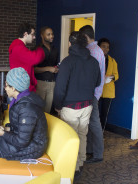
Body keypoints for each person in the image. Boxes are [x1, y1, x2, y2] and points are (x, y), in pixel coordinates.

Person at [53, 31, 101, 178]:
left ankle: (72, 168)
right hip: (88, 104)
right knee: (82, 135)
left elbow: (60, 88)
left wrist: (57, 105)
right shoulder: (93, 61)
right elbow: (98, 82)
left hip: (70, 107)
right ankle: (80, 164)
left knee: (71, 138)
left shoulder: (67, 62)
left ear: (70, 44)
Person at [79, 25, 105, 163]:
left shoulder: (91, 51)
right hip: (95, 92)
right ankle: (90, 150)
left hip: (91, 93)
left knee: (94, 123)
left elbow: (91, 75)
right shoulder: (98, 49)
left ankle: (98, 154)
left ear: (84, 37)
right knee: (90, 122)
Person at [9, 22, 45, 92]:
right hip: (20, 88)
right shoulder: (18, 48)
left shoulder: (19, 46)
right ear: (25, 34)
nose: (34, 37)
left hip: (21, 87)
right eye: (32, 34)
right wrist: (40, 48)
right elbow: (36, 59)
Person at [35, 26, 59, 113]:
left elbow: (55, 65)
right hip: (40, 83)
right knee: (38, 110)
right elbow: (33, 69)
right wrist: (48, 69)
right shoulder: (37, 49)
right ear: (42, 36)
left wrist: (56, 69)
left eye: (52, 34)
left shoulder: (55, 50)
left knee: (48, 111)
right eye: (48, 34)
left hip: (52, 83)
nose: (51, 36)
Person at [98, 38, 119, 130]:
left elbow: (116, 75)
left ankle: (101, 132)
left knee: (104, 114)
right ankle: (94, 133)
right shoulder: (95, 59)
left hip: (108, 91)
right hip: (97, 90)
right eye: (103, 46)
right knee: (95, 113)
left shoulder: (113, 61)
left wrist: (111, 78)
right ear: (99, 47)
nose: (106, 49)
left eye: (107, 47)